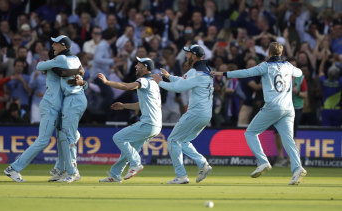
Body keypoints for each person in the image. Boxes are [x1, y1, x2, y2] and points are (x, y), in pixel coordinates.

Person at [212, 42, 307, 185]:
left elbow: (245, 72)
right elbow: (299, 73)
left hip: (273, 106)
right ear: (281, 53)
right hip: (288, 108)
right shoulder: (288, 66)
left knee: (250, 132)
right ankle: (297, 167)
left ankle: (263, 161)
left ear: (269, 53)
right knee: (288, 140)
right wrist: (291, 72)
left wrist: (222, 73)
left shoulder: (265, 66)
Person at [4, 35, 86, 183]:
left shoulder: (62, 61)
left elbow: (74, 71)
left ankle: (61, 170)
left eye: (55, 44)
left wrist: (79, 76)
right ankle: (13, 168)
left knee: (65, 137)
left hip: (57, 106)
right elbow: (40, 66)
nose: (52, 46)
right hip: (50, 106)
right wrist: (78, 74)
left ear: (62, 47)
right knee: (44, 140)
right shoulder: (61, 62)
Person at [152, 44, 213, 184]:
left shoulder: (194, 72)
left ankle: (181, 176)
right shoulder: (205, 70)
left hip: (195, 113)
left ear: (195, 56)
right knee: (183, 141)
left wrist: (160, 82)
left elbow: (178, 88)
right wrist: (169, 77)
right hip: (205, 114)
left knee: (173, 140)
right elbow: (183, 81)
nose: (186, 56)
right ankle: (202, 163)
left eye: (189, 54)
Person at [98, 57, 162, 183]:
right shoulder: (154, 83)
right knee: (128, 150)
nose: (136, 66)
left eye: (139, 64)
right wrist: (124, 106)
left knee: (118, 137)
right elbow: (141, 105)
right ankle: (115, 175)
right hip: (155, 125)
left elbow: (126, 86)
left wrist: (107, 82)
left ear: (145, 68)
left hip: (148, 123)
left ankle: (136, 163)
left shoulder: (144, 80)